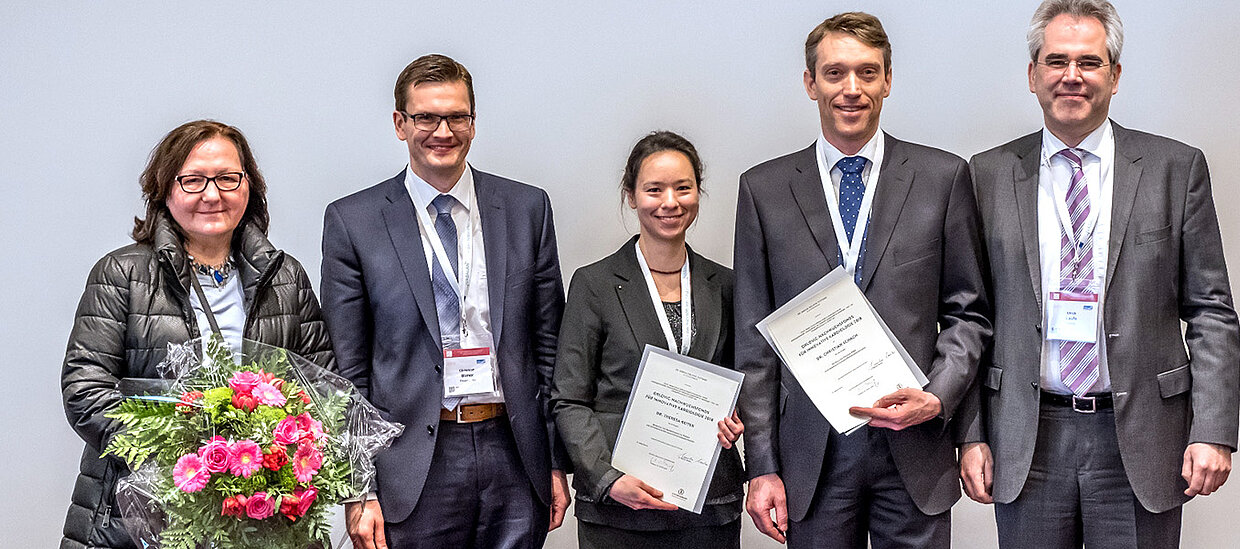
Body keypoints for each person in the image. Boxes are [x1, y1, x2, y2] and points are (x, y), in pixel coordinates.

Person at [957, 1, 1240, 547]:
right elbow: (970, 316)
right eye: (1056, 61)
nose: (1072, 76)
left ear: (1114, 75)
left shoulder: (1174, 169)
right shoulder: (987, 174)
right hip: (1026, 438)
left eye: (1089, 62)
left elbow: (1211, 310)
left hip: (1141, 436)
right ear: (1033, 75)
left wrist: (1213, 429)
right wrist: (970, 435)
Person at [733, 12, 991, 548]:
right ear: (811, 83)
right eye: (835, 73)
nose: (851, 89)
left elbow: (967, 313)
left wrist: (938, 397)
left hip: (915, 444)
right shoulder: (764, 190)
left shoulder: (942, 178)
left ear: (888, 80)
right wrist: (762, 465)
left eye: (867, 72)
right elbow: (754, 343)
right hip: (812, 454)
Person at [322, 54, 569, 549]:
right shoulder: (354, 221)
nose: (443, 131)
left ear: (473, 123)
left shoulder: (526, 208)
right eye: (427, 117)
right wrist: (358, 487)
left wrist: (555, 461)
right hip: (410, 460)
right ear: (400, 124)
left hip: (514, 453)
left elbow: (549, 348)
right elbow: (348, 373)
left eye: (457, 116)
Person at [59, 120, 333, 549]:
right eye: (193, 180)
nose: (212, 194)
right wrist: (180, 454)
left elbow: (323, 389)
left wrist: (275, 455)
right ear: (165, 190)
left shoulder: (286, 278)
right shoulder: (122, 273)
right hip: (138, 517)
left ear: (249, 186)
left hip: (261, 516)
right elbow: (85, 389)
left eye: (227, 178)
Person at [551, 131, 746, 548]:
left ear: (698, 193)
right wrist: (607, 478)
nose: (669, 202)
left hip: (708, 506)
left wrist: (735, 417)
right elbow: (569, 399)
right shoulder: (595, 285)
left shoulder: (726, 285)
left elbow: (743, 383)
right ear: (631, 196)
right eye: (654, 190)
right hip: (618, 510)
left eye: (683, 188)